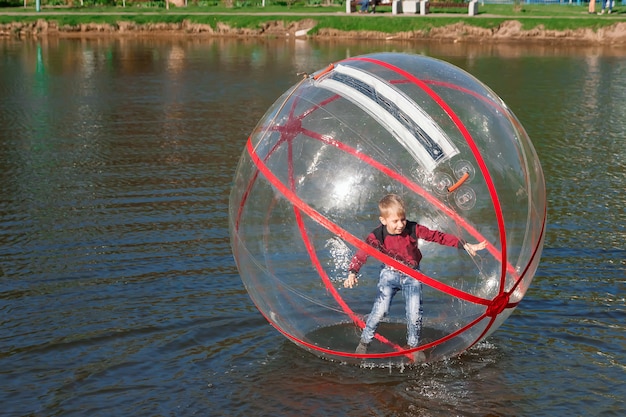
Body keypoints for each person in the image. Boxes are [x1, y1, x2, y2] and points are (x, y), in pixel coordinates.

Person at [343, 194, 487, 360]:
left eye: (403, 219)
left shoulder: (412, 229)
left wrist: (463, 244)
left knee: (414, 313)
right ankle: (365, 342)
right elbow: (363, 252)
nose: (400, 225)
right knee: (380, 311)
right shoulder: (377, 235)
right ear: (383, 220)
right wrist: (352, 272)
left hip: (412, 274)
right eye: (395, 221)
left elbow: (437, 236)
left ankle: (413, 346)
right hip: (389, 274)